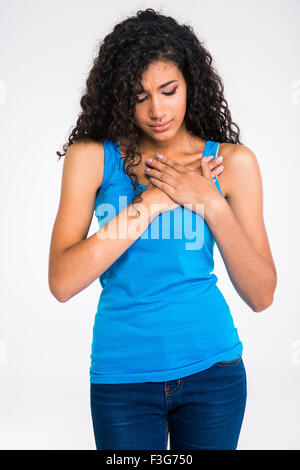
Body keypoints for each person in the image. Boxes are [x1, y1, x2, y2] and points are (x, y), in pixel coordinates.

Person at [49, 8, 277, 450]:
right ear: (119, 97)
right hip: (122, 378)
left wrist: (208, 200)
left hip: (213, 373)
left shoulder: (233, 164)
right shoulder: (93, 159)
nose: (157, 110)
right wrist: (153, 201)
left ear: (191, 83)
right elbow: (62, 280)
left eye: (169, 90)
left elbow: (262, 295)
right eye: (139, 95)